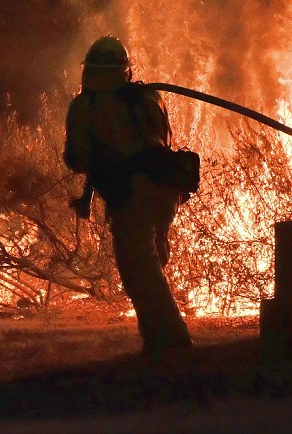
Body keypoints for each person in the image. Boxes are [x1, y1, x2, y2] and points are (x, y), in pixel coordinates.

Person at [63, 36, 191, 359]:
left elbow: (77, 157)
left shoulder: (86, 106)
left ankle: (171, 342)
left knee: (139, 270)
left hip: (133, 196)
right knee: (151, 263)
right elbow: (161, 140)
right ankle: (158, 341)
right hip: (166, 193)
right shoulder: (148, 97)